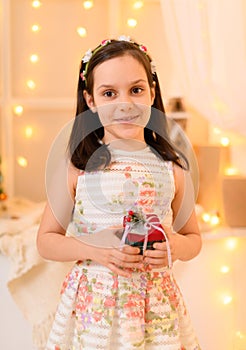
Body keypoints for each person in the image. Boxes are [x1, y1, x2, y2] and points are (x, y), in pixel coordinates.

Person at [37, 36, 202, 350]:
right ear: (91, 101)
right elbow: (46, 241)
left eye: (136, 90)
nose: (125, 103)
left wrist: (175, 246)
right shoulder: (78, 168)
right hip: (94, 307)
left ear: (152, 93)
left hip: (154, 305)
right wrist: (93, 248)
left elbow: (193, 238)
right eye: (109, 93)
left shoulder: (173, 168)